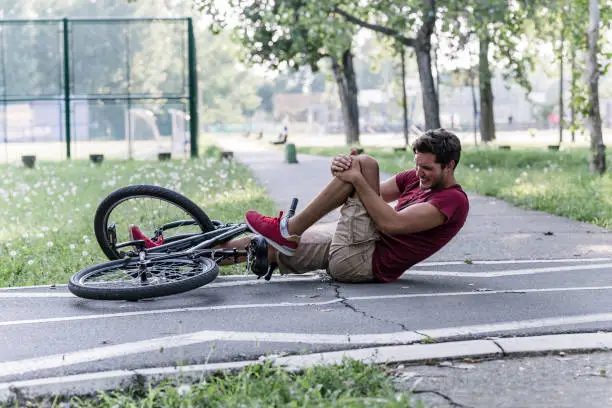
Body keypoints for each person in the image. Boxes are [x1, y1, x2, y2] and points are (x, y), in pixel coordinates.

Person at [223, 128, 470, 283]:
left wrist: (357, 175)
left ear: (449, 165)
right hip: (359, 241)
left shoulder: (452, 201)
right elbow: (368, 193)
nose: (419, 173)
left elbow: (390, 223)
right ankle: (193, 257)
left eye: (427, 168)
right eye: (417, 164)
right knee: (266, 246)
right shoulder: (415, 179)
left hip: (362, 262)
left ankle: (288, 229)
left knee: (367, 163)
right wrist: (344, 170)